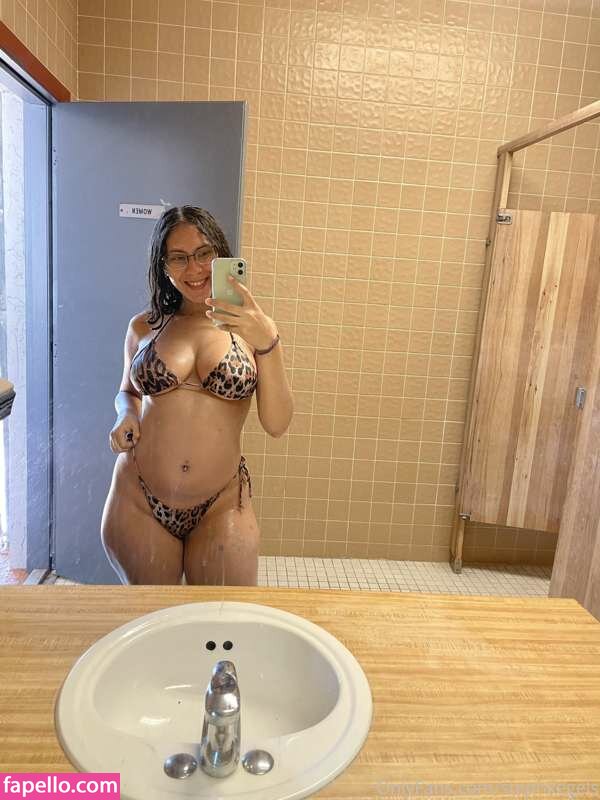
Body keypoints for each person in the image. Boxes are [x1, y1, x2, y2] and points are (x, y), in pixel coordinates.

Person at [101, 206, 293, 585]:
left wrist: (269, 341)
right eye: (179, 258)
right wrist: (126, 415)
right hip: (138, 498)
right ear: (163, 266)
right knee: (155, 615)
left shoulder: (253, 330)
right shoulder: (144, 326)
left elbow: (277, 424)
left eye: (204, 254)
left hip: (221, 503)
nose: (194, 269)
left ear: (220, 254)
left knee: (221, 617)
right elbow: (128, 392)